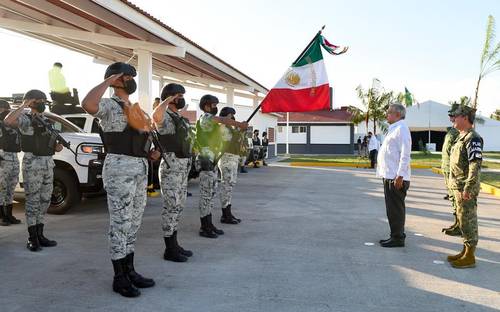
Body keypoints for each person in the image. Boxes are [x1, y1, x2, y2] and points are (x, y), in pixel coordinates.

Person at [82, 62, 156, 297]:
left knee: (133, 222)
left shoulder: (135, 108)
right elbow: (87, 104)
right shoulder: (109, 105)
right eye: (127, 77)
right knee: (120, 223)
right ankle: (119, 277)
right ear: (116, 80)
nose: (131, 81)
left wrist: (151, 152)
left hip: (139, 167)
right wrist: (108, 80)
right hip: (120, 168)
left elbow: (143, 135)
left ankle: (130, 270)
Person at [4, 90, 61, 251]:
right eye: (39, 100)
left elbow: (53, 143)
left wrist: (57, 146)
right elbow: (8, 121)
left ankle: (40, 234)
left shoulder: (47, 120)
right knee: (33, 201)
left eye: (44, 99)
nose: (43, 102)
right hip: (32, 164)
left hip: (48, 164)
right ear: (31, 101)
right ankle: (32, 238)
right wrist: (24, 105)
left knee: (45, 200)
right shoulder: (25, 118)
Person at [195, 94, 247, 238]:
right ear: (206, 106)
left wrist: (239, 128)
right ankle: (204, 226)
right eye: (213, 105)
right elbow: (222, 120)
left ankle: (209, 224)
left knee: (210, 193)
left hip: (211, 160)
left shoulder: (214, 123)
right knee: (206, 194)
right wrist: (238, 125)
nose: (215, 108)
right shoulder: (205, 117)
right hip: (205, 159)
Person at [152, 83, 193, 262]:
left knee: (179, 206)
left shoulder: (180, 117)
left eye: (182, 95)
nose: (181, 98)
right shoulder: (165, 115)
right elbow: (155, 116)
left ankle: (175, 244)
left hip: (183, 167)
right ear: (169, 97)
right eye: (178, 95)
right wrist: (167, 100)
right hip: (171, 166)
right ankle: (169, 249)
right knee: (171, 207)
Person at [447, 105, 482, 269]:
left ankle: (470, 256)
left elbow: (474, 164)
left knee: (468, 220)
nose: (453, 118)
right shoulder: (461, 136)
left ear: (465, 118)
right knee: (462, 219)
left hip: (465, 187)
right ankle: (465, 250)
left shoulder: (472, 138)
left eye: (456, 116)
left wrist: (468, 187)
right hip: (458, 186)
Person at [376, 103, 411, 248]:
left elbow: (405, 154)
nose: (387, 115)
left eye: (389, 112)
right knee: (392, 209)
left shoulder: (402, 129)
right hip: (390, 175)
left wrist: (400, 176)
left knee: (395, 209)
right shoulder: (394, 129)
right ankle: (395, 235)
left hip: (396, 177)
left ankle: (398, 238)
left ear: (398, 114)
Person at [218, 106, 243, 224]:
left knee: (230, 185)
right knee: (226, 186)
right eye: (230, 115)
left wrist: (239, 130)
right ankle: (225, 214)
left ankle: (228, 212)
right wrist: (239, 129)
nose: (232, 117)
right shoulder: (222, 127)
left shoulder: (230, 127)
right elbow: (229, 141)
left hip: (233, 158)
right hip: (226, 158)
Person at [0, 100, 22, 226]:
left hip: (13, 156)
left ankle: (9, 215)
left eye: (6, 109)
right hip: (2, 156)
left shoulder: (12, 123)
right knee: (1, 188)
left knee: (11, 187)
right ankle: (2, 217)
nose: (5, 111)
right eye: (3, 109)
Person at [441, 104, 460, 236]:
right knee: (452, 198)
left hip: (453, 170)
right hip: (447, 168)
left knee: (456, 198)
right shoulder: (452, 130)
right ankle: (457, 222)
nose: (450, 117)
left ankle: (460, 225)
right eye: (450, 115)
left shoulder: (458, 132)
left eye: (452, 115)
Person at [147, 97, 162, 197]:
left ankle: (151, 187)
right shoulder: (153, 116)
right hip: (150, 145)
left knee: (152, 168)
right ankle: (149, 189)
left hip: (155, 144)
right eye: (157, 104)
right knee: (150, 167)